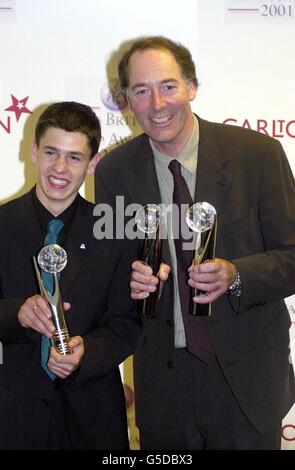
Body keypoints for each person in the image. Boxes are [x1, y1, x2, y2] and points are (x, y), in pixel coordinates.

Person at [95, 36, 295, 450]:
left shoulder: (257, 155)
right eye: (141, 91)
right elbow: (111, 279)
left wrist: (237, 275)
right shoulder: (114, 171)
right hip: (164, 389)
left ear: (192, 88)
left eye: (168, 86)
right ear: (127, 101)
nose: (157, 103)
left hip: (247, 382)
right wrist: (129, 284)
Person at [0, 101, 141, 450]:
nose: (59, 168)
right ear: (33, 151)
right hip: (13, 417)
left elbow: (128, 325)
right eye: (51, 152)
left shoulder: (117, 232)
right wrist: (16, 313)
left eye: (74, 157)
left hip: (94, 420)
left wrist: (87, 352)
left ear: (92, 163)